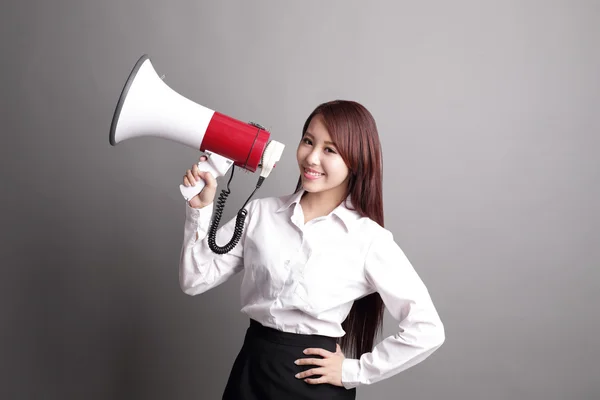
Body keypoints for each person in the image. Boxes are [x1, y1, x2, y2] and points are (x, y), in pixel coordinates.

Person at [179, 100, 445, 399]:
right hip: (251, 372)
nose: (312, 157)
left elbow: (427, 329)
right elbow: (194, 280)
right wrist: (200, 209)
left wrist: (352, 372)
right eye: (308, 141)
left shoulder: (368, 238)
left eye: (329, 150)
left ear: (355, 160)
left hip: (314, 385)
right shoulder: (260, 213)